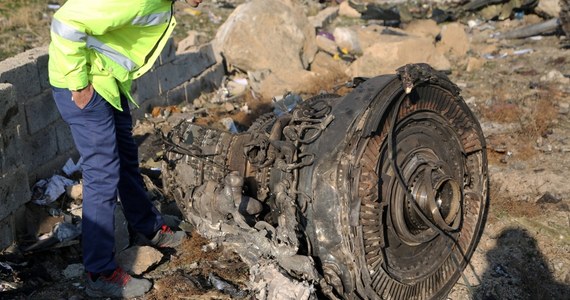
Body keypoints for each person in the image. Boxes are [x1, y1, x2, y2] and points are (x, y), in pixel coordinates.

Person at [48, 0, 203, 297]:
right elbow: (65, 22)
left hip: (106, 82)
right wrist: (79, 84)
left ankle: (149, 226)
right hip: (83, 86)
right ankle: (100, 273)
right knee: (102, 175)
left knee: (126, 160)